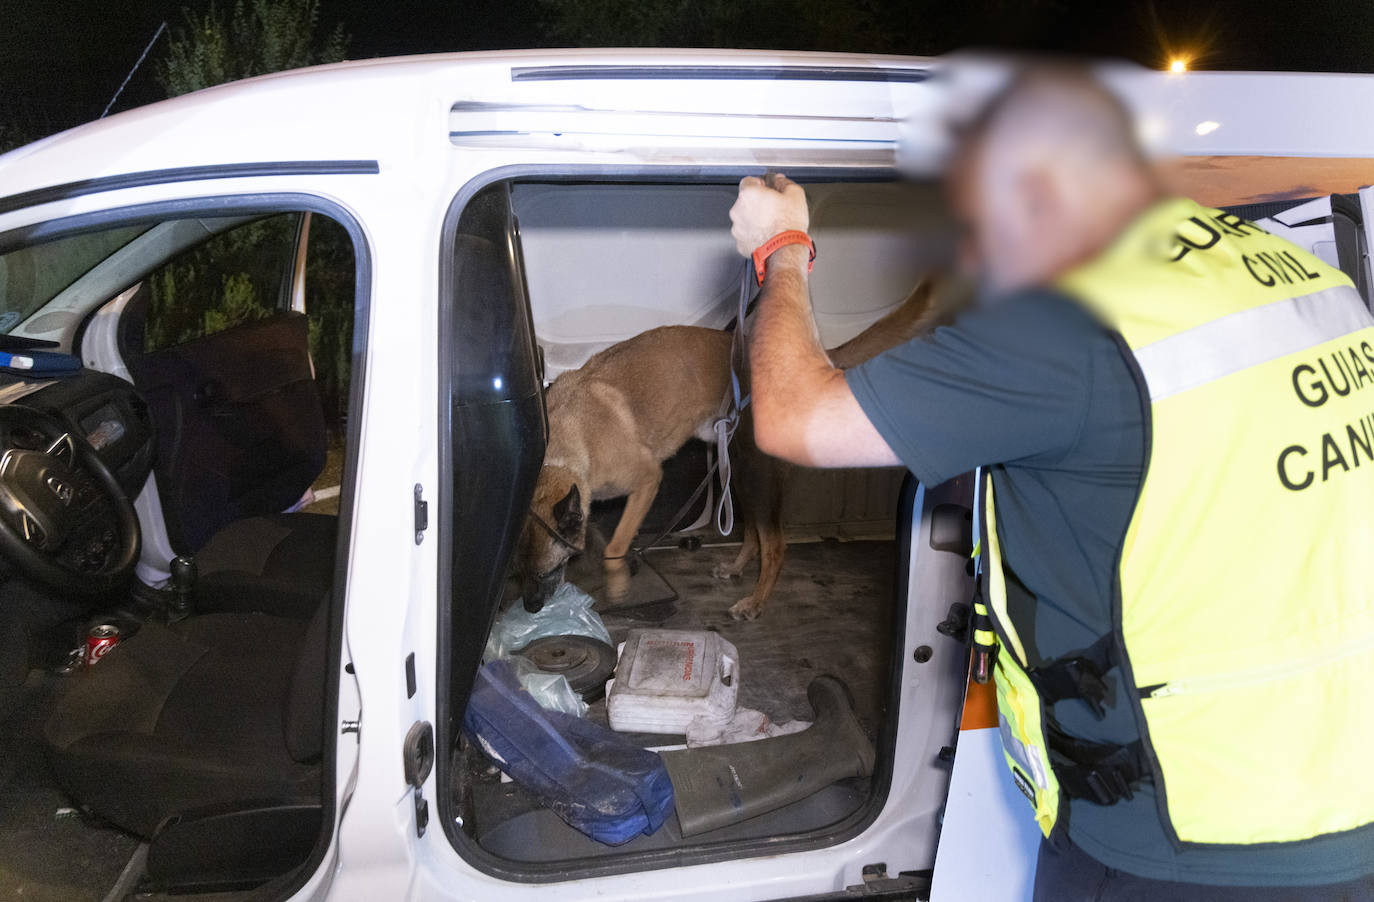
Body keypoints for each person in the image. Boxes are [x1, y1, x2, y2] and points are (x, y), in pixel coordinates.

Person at [728, 63, 1374, 901]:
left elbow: (792, 418)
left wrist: (781, 250)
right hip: (1342, 783)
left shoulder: (1067, 323)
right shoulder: (1300, 274)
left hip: (1188, 828)